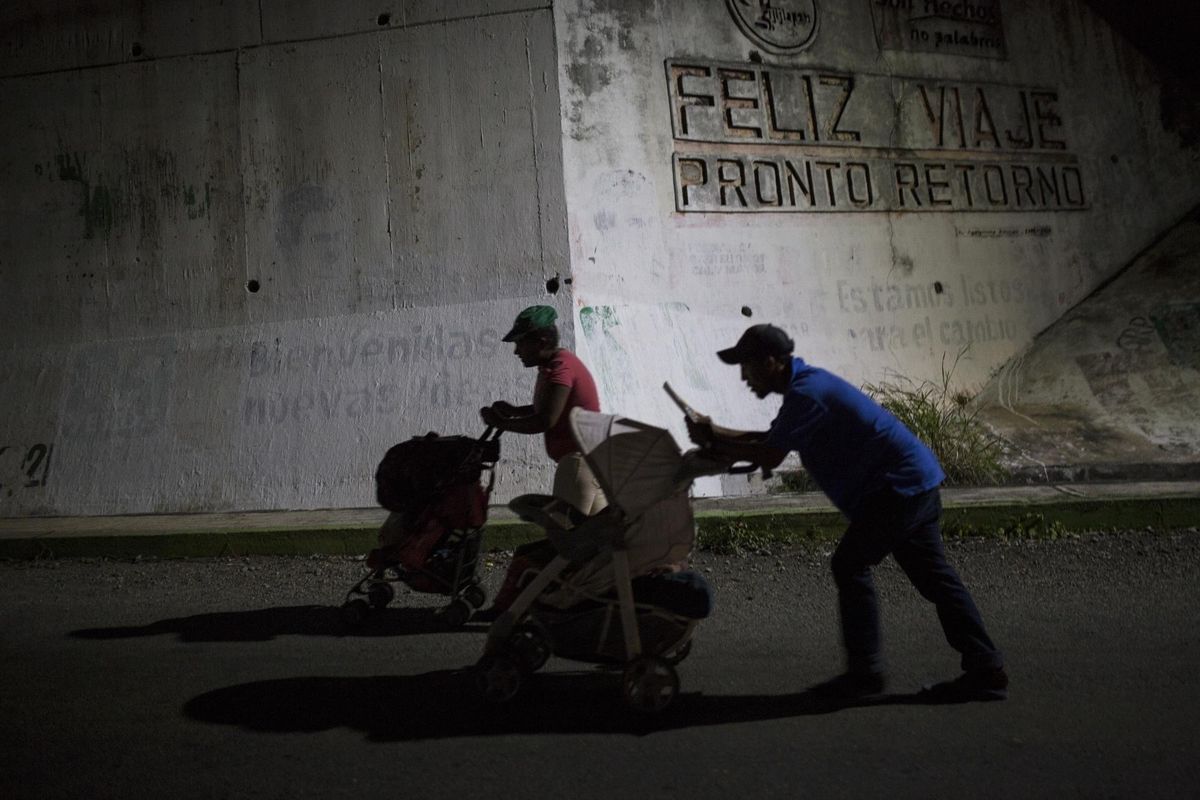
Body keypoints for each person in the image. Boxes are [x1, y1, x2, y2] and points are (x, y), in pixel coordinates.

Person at [686, 323, 1008, 702]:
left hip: (898, 488)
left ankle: (866, 673)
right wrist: (715, 433)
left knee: (850, 564)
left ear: (772, 363)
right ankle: (986, 667)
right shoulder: (805, 387)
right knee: (935, 579)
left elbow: (769, 453)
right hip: (913, 482)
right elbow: (771, 441)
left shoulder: (807, 394)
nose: (744, 377)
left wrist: (715, 442)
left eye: (748, 366)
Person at [474, 305, 607, 620]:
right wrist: (512, 411)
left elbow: (546, 419)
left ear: (543, 339)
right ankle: (585, 606)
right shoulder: (556, 367)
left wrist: (503, 422)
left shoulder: (560, 369)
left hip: (579, 466)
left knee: (563, 546)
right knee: (597, 547)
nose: (517, 351)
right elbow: (544, 410)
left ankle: (523, 609)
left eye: (521, 342)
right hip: (594, 464)